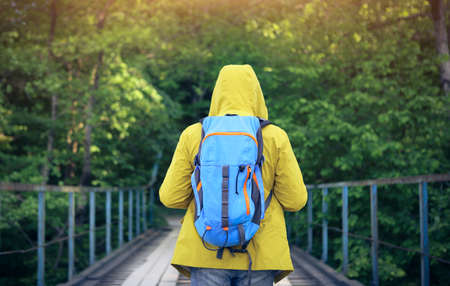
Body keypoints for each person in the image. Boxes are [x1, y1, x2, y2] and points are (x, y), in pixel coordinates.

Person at [159, 64, 308, 285]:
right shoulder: (275, 137)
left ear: (217, 93)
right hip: (259, 256)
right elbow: (295, 201)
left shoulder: (194, 135)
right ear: (256, 94)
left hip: (206, 250)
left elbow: (170, 198)